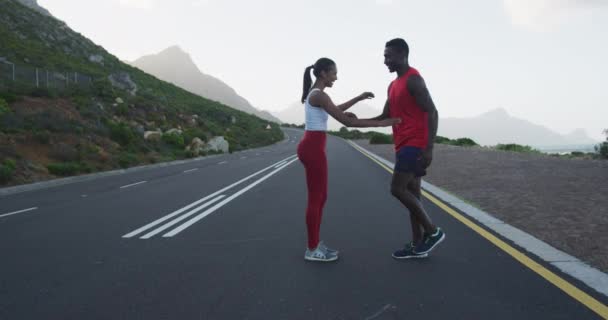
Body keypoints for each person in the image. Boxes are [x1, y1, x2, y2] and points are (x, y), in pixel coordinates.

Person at [298, 57, 400, 262]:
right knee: (316, 199)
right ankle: (311, 248)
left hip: (313, 147)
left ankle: (315, 244)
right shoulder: (318, 95)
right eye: (334, 73)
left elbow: (338, 108)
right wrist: (382, 123)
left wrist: (359, 98)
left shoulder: (319, 95)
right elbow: (344, 120)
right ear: (323, 74)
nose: (336, 77)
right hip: (312, 149)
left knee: (320, 197)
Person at [372, 38, 445, 259]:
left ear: (402, 54)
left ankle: (433, 232)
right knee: (413, 196)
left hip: (415, 145)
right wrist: (356, 120)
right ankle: (417, 245)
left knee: (397, 189)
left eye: (388, 56)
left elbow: (432, 112)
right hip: (402, 144)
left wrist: (429, 148)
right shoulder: (393, 85)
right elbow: (386, 116)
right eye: (384, 56)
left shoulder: (414, 80)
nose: (385, 60)